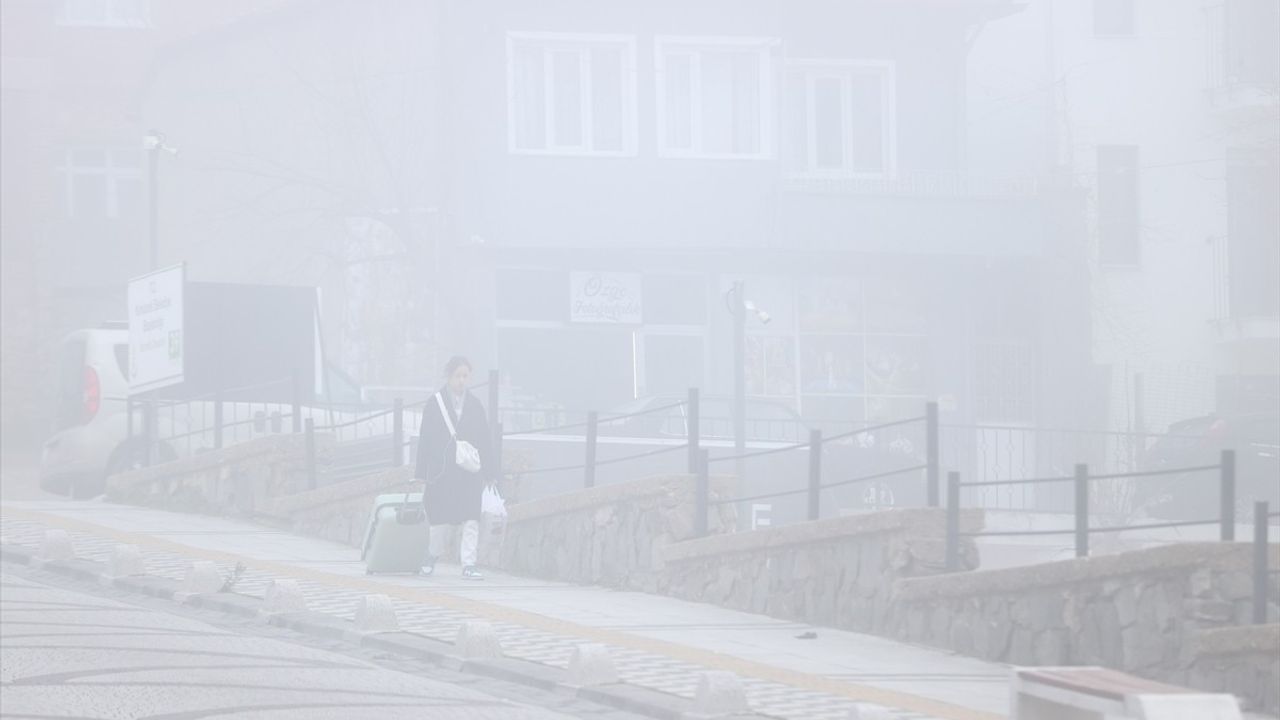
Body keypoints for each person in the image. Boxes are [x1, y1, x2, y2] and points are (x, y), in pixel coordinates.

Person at [416, 355, 494, 579]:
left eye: (465, 376)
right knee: (440, 519)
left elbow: (485, 441)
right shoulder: (435, 404)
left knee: (471, 517)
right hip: (443, 471)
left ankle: (469, 563)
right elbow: (425, 440)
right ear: (449, 377)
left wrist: (489, 472)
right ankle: (431, 556)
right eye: (458, 376)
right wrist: (422, 473)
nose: (462, 380)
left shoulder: (475, 405)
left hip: (469, 472)